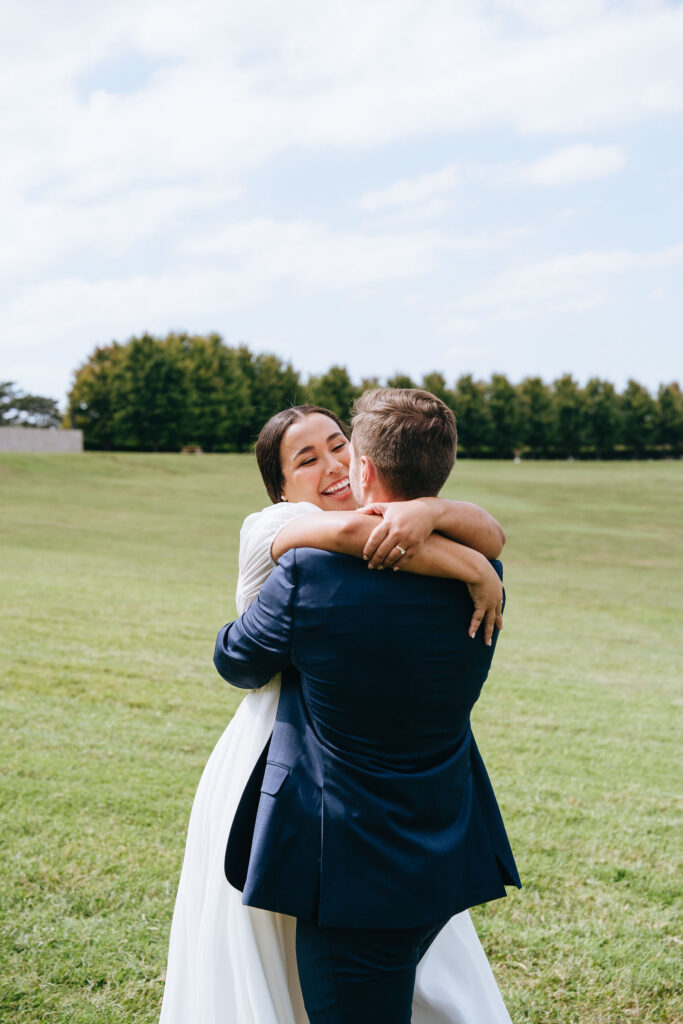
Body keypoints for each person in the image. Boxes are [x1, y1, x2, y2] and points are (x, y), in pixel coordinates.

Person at [160, 397, 514, 1023]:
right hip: (293, 762)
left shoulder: (345, 558)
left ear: (364, 462)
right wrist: (479, 569)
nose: (330, 463)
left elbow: (239, 657)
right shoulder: (282, 533)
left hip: (340, 813)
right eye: (306, 457)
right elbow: (358, 537)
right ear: (282, 490)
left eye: (338, 446)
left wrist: (429, 518)